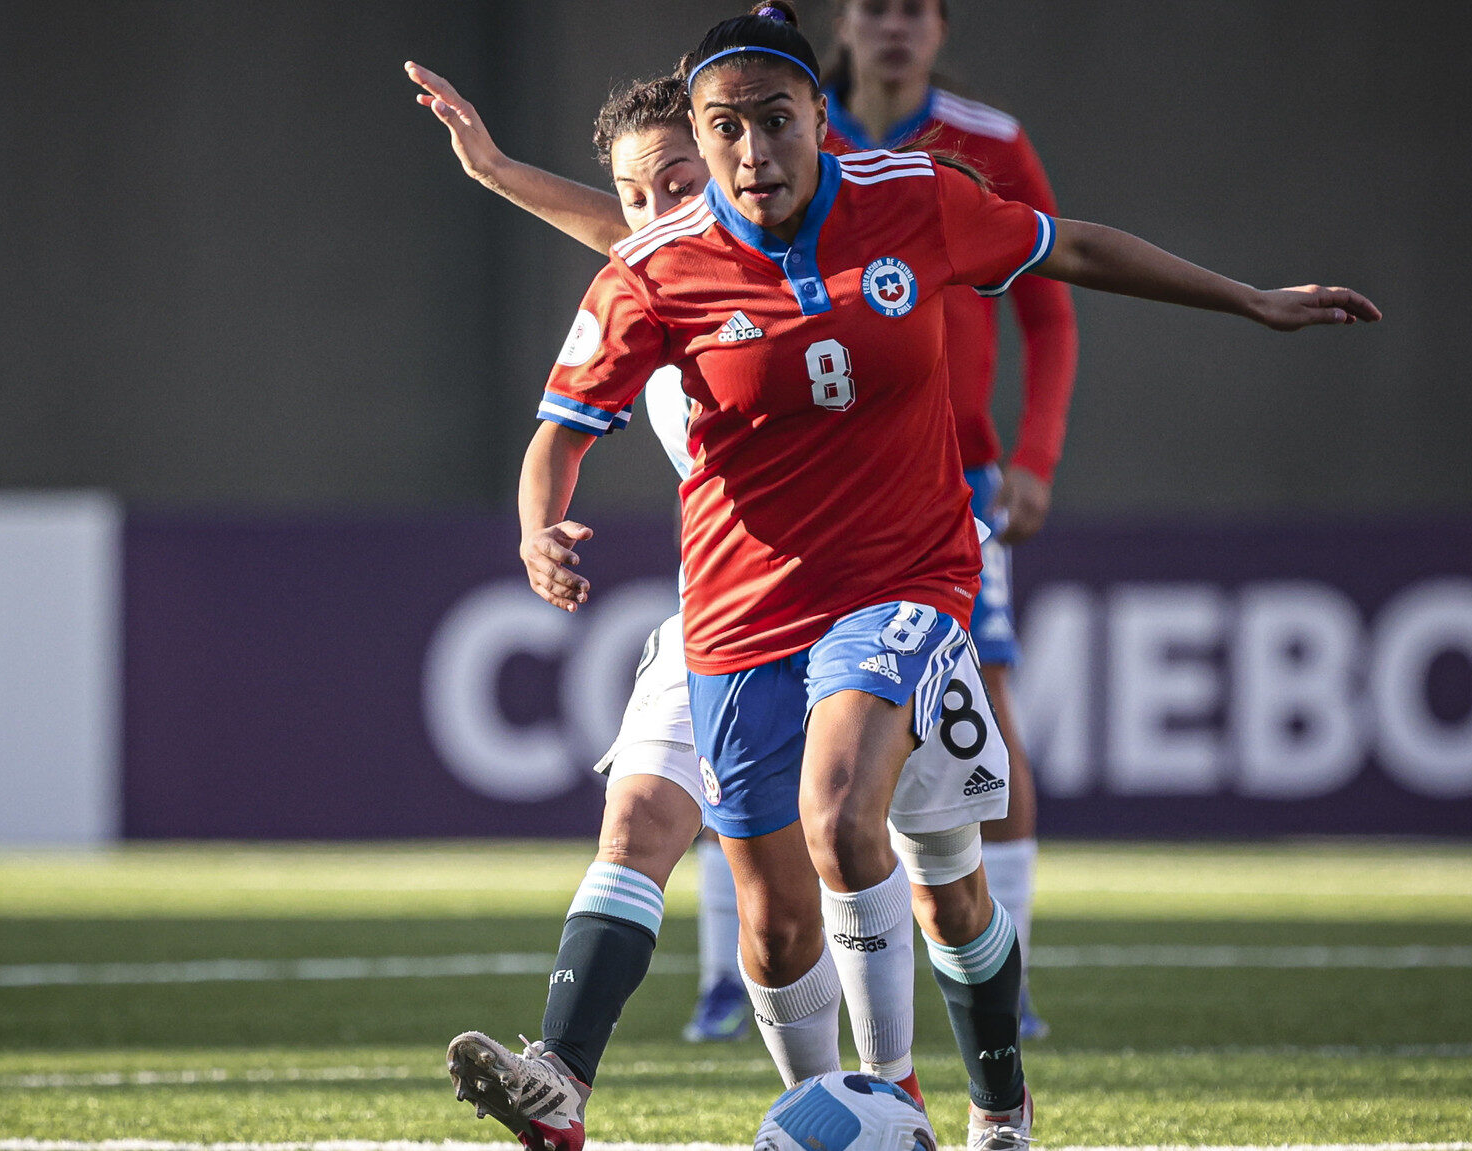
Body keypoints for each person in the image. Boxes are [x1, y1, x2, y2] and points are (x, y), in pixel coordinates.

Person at [501, 5, 1376, 1149]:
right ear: (701, 139)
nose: (753, 151)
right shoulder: (655, 273)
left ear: (823, 113)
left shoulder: (913, 197)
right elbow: (561, 431)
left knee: (843, 810)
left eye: (775, 119)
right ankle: (830, 1110)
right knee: (771, 919)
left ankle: (923, 1098)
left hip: (906, 579)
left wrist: (1246, 297)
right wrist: (538, 529)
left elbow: (1073, 248)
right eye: (727, 130)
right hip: (739, 612)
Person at [409, 64, 1018, 1149]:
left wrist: (507, 174)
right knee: (657, 832)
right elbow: (627, 230)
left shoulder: (801, 244)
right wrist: (495, 170)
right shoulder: (659, 276)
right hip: (730, 616)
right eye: (635, 198)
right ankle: (562, 1077)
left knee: (945, 891)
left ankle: (967, 1102)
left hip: (880, 601)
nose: (648, 216)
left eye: (680, 181)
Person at [821, 0, 1075, 1040]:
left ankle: (1004, 976)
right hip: (814, 475)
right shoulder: (785, 125)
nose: (892, 27)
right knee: (762, 722)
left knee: (988, 712)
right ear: (843, 19)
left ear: (938, 25)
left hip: (951, 476)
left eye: (912, 8)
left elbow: (1050, 302)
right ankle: (735, 973)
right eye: (873, 6)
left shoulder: (988, 142)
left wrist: (1034, 456)